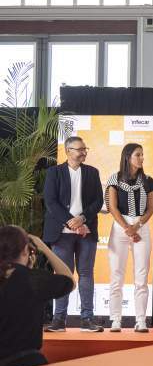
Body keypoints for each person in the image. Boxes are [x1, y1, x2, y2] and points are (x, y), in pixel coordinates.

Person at [43, 136, 104, 333]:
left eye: (85, 149)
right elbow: (50, 201)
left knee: (86, 273)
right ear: (68, 151)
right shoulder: (54, 172)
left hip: (86, 231)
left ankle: (87, 319)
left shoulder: (92, 172)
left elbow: (98, 201)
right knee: (63, 274)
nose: (84, 152)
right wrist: (71, 222)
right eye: (80, 149)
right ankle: (59, 320)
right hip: (61, 233)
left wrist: (82, 219)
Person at [0, 226, 74, 366]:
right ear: (25, 251)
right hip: (25, 363)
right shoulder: (33, 279)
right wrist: (45, 249)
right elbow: (69, 280)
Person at [105, 143, 153, 333]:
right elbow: (112, 207)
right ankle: (115, 319)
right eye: (138, 155)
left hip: (141, 226)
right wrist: (128, 228)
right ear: (127, 157)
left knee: (141, 276)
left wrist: (137, 226)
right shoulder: (114, 179)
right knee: (116, 275)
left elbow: (150, 209)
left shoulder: (148, 181)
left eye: (142, 155)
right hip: (121, 227)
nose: (142, 158)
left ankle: (141, 320)